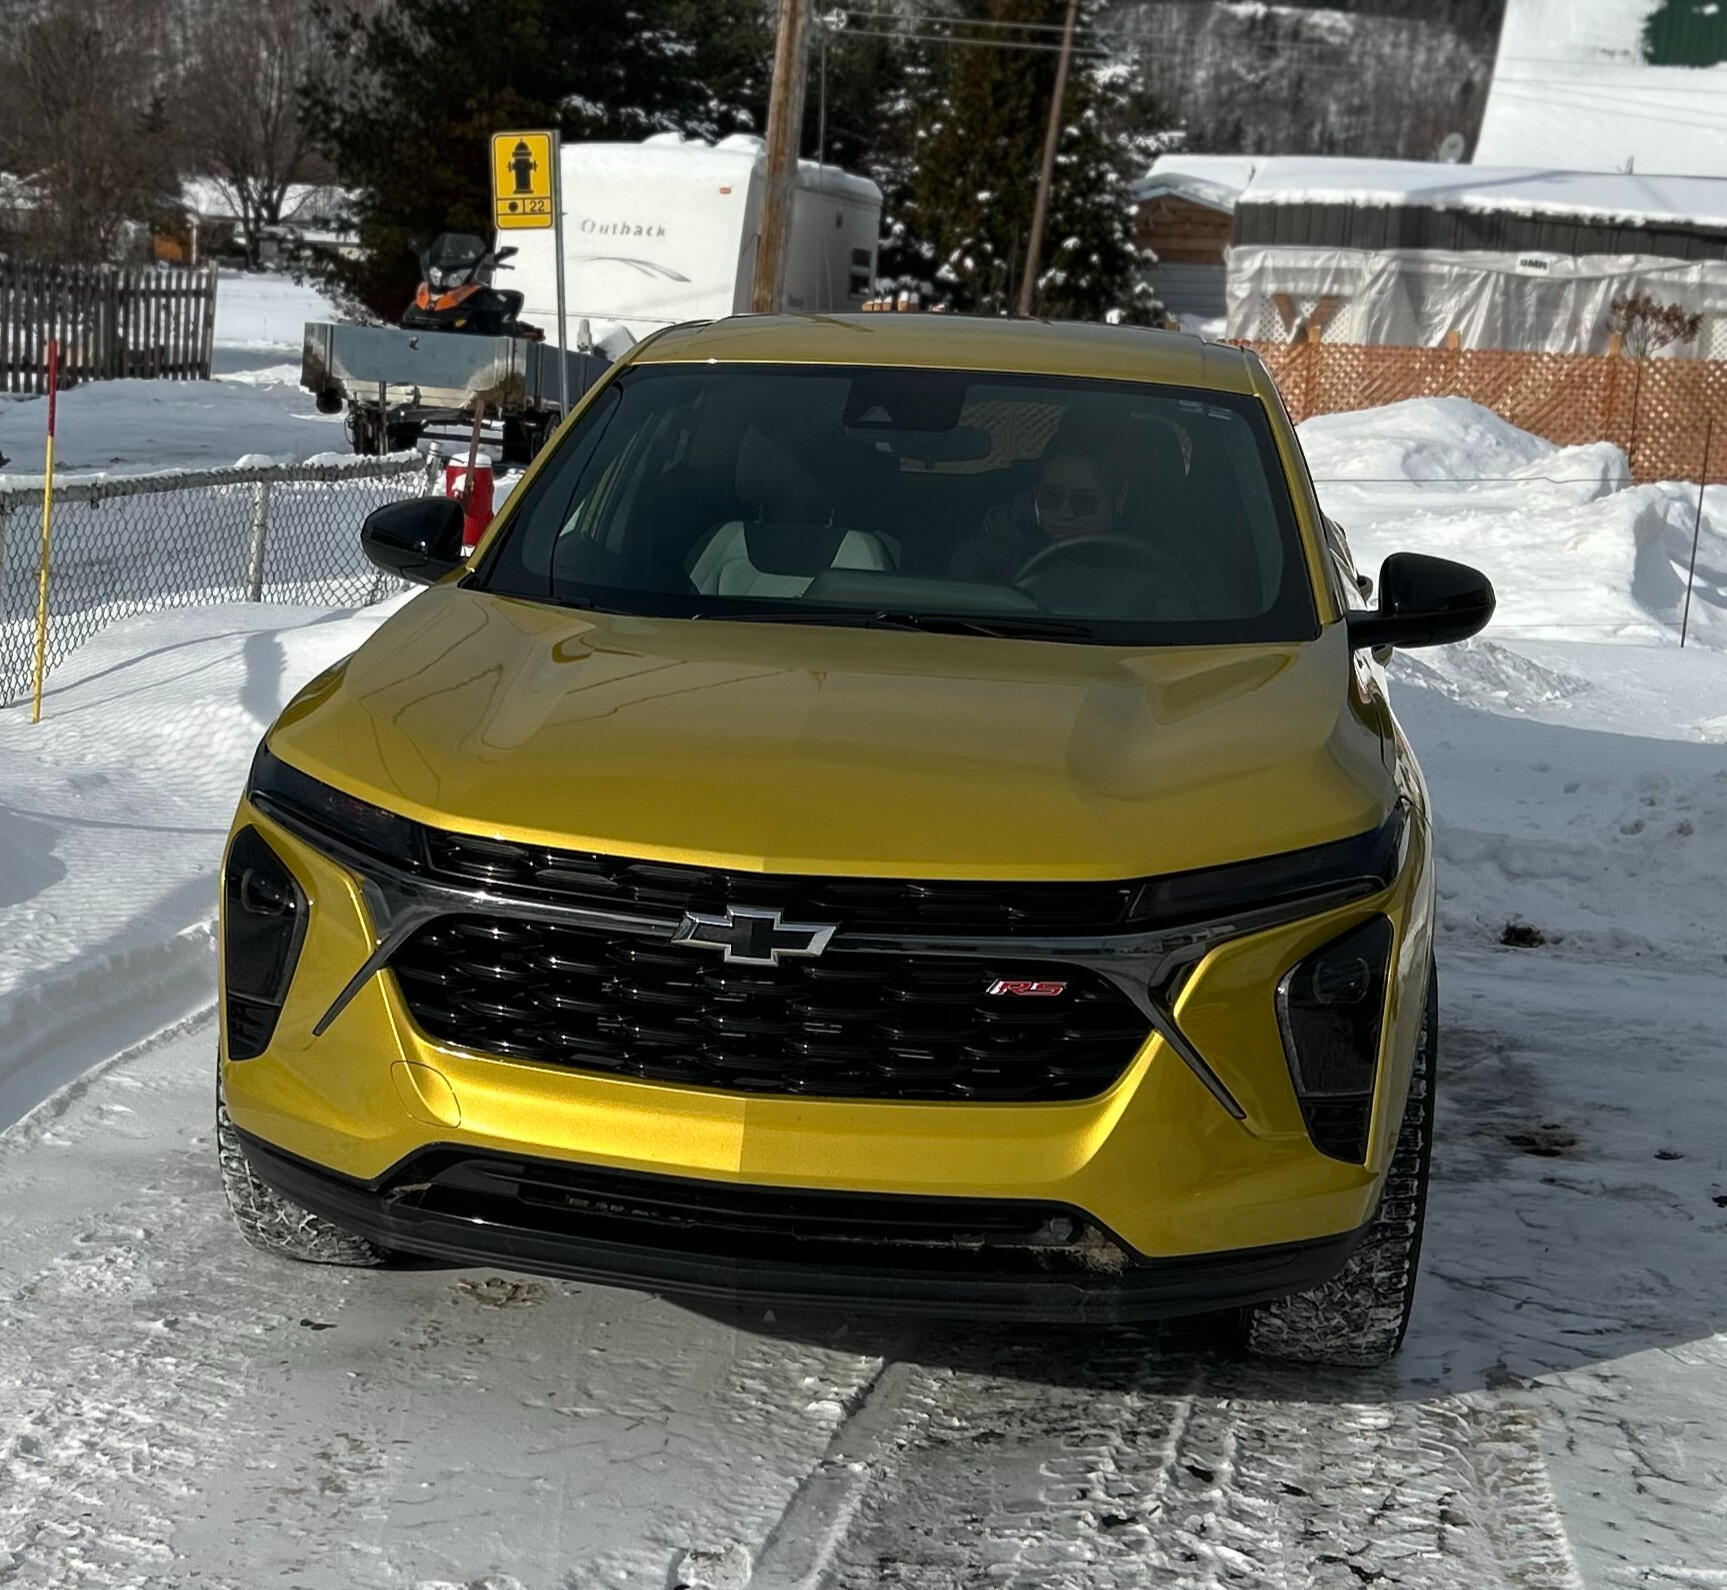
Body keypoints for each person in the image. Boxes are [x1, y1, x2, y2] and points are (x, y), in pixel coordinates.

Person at [948, 444, 1129, 586]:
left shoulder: (1148, 556)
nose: (1064, 514)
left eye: (1083, 501)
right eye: (1051, 497)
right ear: (1035, 495)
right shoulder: (987, 557)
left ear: (1119, 499)